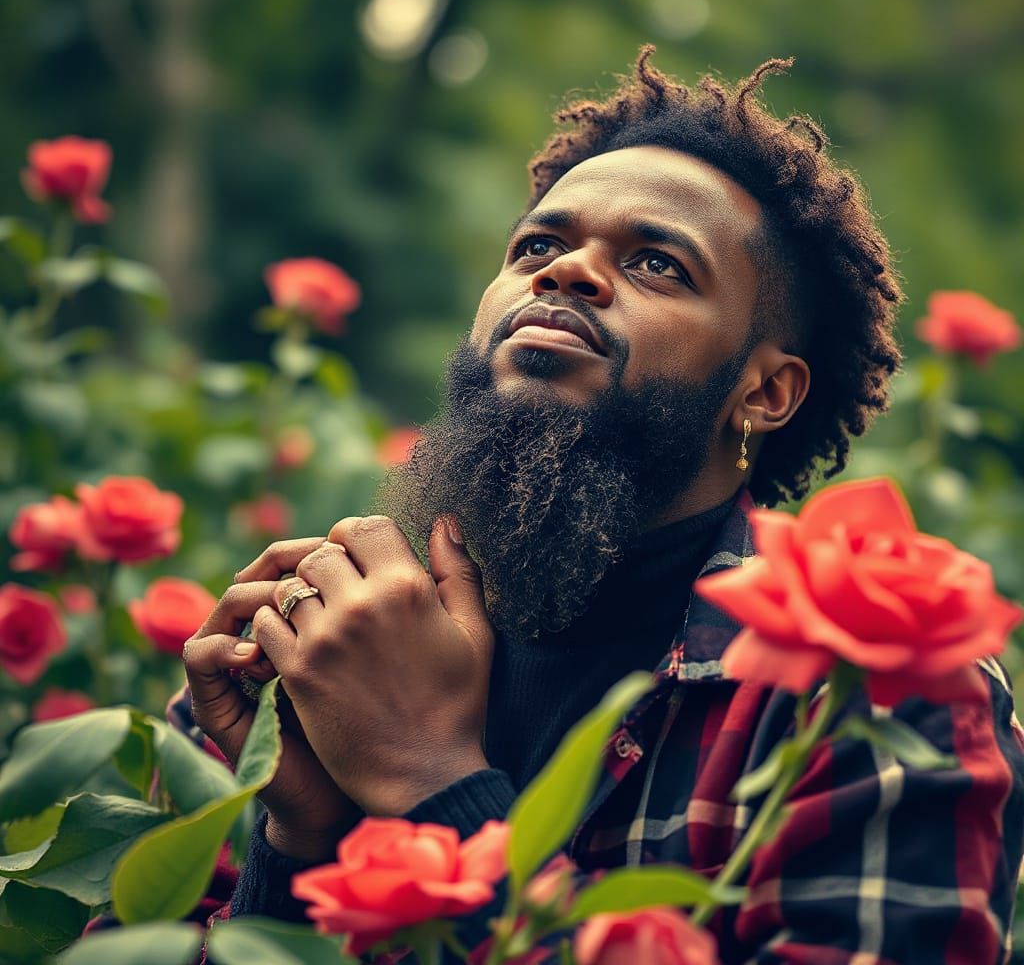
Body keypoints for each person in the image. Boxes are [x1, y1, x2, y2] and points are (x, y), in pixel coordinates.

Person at [180, 49, 1024, 963]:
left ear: (766, 392)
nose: (567, 271)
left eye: (659, 264)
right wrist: (299, 842)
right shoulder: (324, 636)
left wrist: (431, 781)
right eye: (537, 246)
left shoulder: (872, 695)